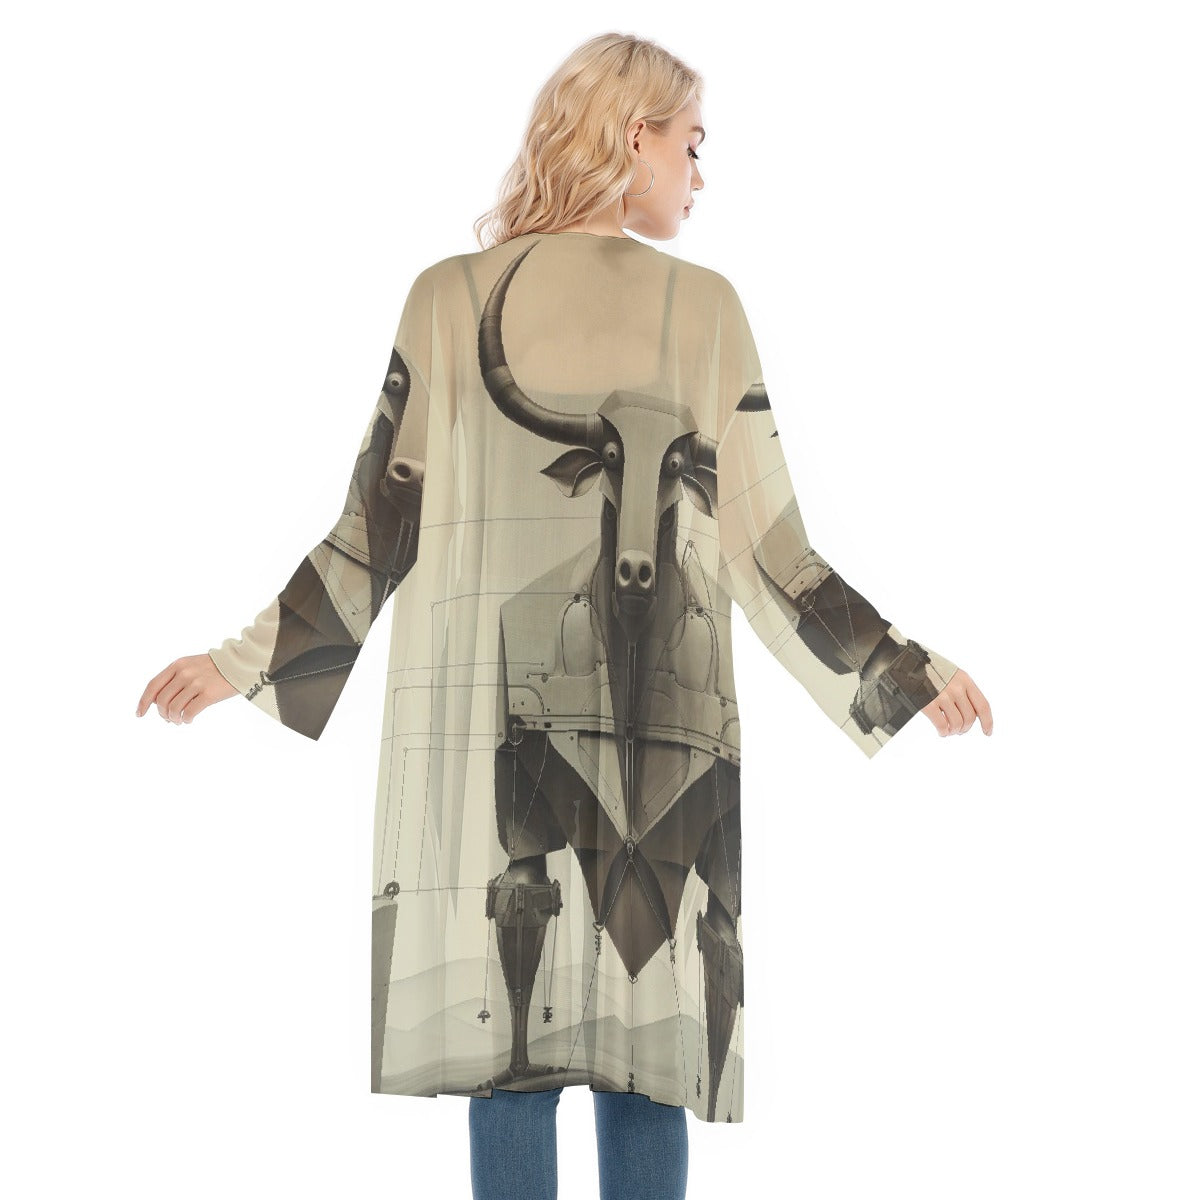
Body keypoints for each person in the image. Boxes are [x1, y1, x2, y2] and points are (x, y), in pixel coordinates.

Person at [136, 31, 991, 1200]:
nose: (701, 173)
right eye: (692, 144)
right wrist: (238, 662)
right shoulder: (479, 304)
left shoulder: (641, 306)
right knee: (558, 1044)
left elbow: (388, 530)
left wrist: (901, 668)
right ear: (635, 137)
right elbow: (760, 548)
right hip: (519, 725)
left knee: (585, 1057)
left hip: (664, 728)